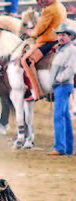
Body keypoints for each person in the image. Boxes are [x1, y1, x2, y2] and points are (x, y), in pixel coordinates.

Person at [22, 0, 66, 102]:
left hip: (48, 40)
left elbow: (40, 29)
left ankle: (37, 93)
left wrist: (30, 33)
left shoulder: (49, 9)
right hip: (57, 39)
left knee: (27, 60)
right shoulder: (60, 6)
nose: (40, 1)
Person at [47, 23, 76, 155]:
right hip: (61, 85)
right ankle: (68, 148)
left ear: (70, 37)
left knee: (59, 116)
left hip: (63, 85)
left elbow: (70, 70)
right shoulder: (62, 49)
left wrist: (56, 81)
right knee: (65, 116)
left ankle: (59, 147)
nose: (60, 37)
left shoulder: (71, 50)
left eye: (63, 35)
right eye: (59, 35)